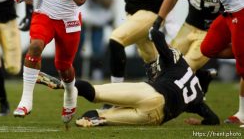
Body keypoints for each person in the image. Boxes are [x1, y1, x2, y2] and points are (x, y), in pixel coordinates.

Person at [152, 0, 244, 124]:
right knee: (208, 48)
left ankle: (242, 114)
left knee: (242, 68)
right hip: (230, 11)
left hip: (240, 10)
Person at [36, 27, 220, 127]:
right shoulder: (197, 100)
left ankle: (61, 84)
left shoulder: (180, 65)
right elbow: (214, 120)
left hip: (146, 90)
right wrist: (199, 122)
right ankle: (93, 120)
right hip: (156, 114)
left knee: (94, 92)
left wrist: (151, 28)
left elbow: (157, 35)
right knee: (97, 117)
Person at [152, 0, 220, 93]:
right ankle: (203, 76)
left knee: (185, 68)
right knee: (166, 62)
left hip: (212, 31)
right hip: (189, 25)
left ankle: (189, 99)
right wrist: (157, 22)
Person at [77, 0, 114, 80]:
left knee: (97, 49)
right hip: (83, 22)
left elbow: (110, 2)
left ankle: (96, 72)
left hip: (98, 23)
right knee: (77, 47)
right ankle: (74, 71)